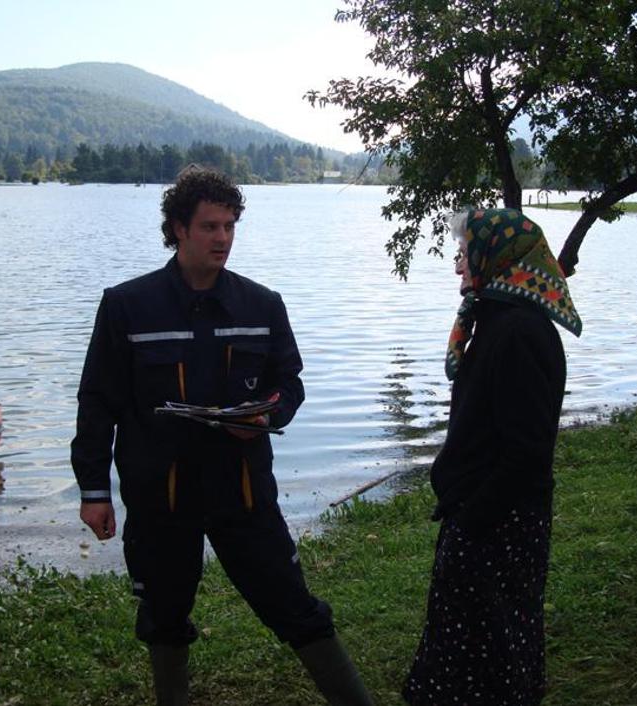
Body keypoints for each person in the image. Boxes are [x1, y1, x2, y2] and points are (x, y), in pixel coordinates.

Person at [71, 166, 373, 706]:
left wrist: (268, 415)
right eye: (210, 226)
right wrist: (94, 491)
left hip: (244, 494)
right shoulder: (126, 306)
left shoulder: (263, 305)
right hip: (161, 499)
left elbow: (289, 384)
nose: (223, 238)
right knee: (164, 618)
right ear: (178, 229)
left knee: (296, 608)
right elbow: (97, 403)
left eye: (230, 226)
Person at [403, 208, 583, 706]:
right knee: (474, 648)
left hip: (500, 527)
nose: (459, 265)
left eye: (464, 253)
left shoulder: (519, 332)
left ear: (495, 255)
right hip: (484, 518)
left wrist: (471, 521)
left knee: (492, 654)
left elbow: (526, 454)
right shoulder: (497, 320)